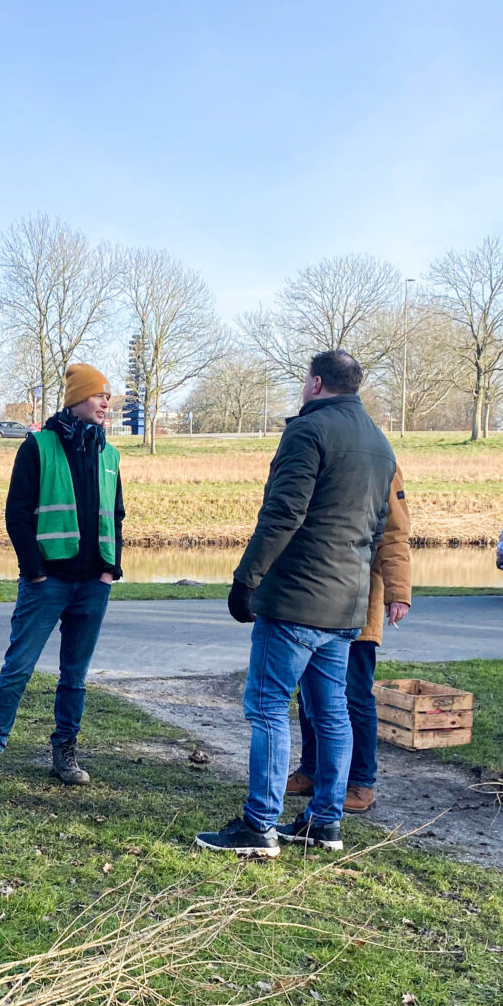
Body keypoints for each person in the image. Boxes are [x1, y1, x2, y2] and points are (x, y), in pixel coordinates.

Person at [196, 349, 397, 857]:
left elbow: (283, 513)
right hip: (348, 604)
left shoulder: (307, 431)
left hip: (296, 601)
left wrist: (247, 580)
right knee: (333, 714)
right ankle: (324, 823)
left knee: (266, 706)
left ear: (315, 383)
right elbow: (379, 529)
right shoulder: (379, 443)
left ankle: (258, 824)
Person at [0, 363, 123, 787]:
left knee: (75, 676)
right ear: (75, 400)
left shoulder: (110, 454)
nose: (105, 402)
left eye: (108, 396)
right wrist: (33, 572)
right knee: (18, 667)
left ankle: (64, 754)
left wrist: (111, 570)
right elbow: (17, 515)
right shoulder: (38, 447)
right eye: (97, 395)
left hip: (94, 584)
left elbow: (117, 514)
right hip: (46, 583)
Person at [286, 466, 411, 814]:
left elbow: (396, 533)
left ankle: (361, 782)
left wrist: (398, 591)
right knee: (309, 692)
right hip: (314, 597)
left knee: (354, 694)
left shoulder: (382, 460)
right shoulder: (321, 452)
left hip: (359, 602)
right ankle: (310, 770)